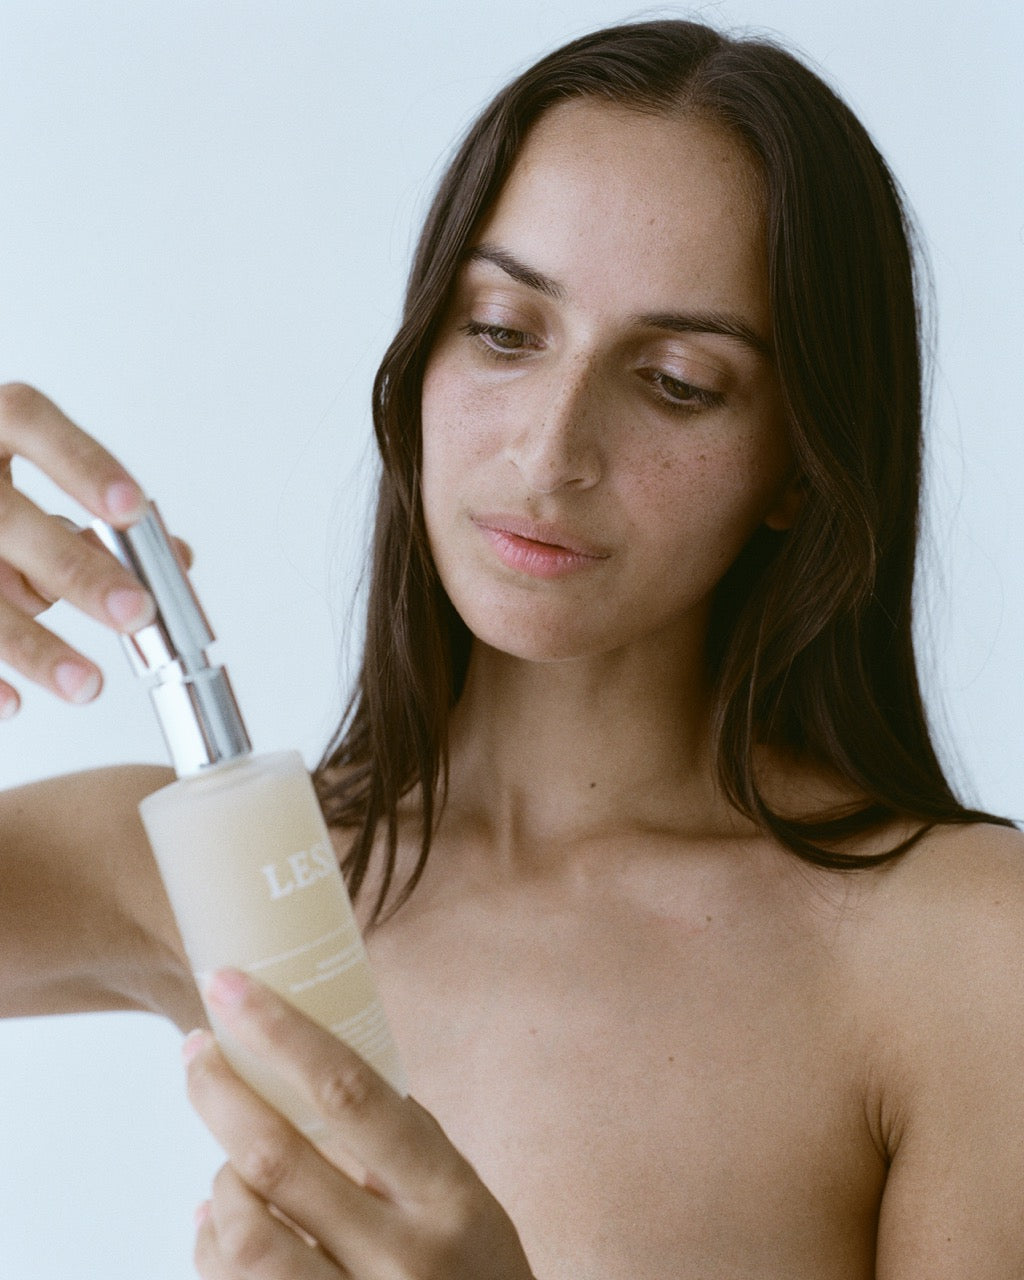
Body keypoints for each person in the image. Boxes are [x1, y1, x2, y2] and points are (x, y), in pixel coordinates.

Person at [1, 17, 1022, 1278]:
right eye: (501, 329)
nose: (549, 454)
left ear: (798, 469)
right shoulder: (246, 886)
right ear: (421, 351)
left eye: (677, 382)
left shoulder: (963, 949)